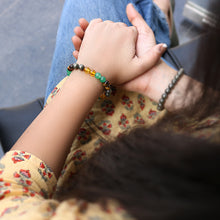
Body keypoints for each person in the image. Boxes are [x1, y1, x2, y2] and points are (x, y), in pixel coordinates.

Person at [0, 0, 219, 219]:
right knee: (122, 27)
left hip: (71, 166)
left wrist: (88, 72)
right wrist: (156, 79)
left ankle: (160, 18)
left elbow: (9, 197)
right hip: (157, 121)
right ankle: (159, 18)